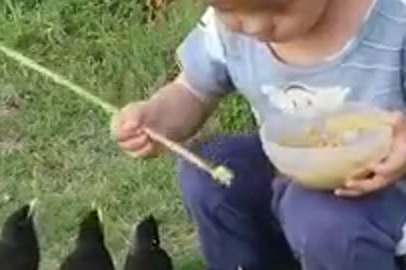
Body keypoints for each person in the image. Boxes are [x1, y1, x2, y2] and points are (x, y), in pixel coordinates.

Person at [111, 0, 406, 269]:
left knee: (320, 218)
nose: (253, 27)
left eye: (277, 9)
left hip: (385, 195)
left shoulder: (396, 21)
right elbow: (192, 90)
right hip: (290, 177)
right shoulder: (228, 28)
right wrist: (157, 118)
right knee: (208, 176)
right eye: (227, 11)